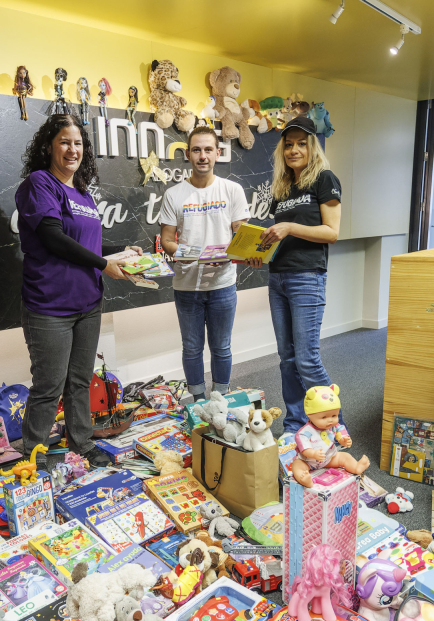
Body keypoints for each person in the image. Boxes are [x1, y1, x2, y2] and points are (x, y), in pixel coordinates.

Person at [14, 114, 141, 467]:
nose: (73, 150)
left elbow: (88, 241)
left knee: (80, 381)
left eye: (79, 143)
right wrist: (104, 264)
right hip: (49, 304)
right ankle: (32, 454)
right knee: (48, 386)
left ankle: (81, 443)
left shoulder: (83, 194)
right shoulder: (39, 184)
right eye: (65, 142)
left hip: (88, 302)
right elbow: (54, 238)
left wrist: (124, 252)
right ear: (49, 146)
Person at [259, 117, 342, 436]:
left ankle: (334, 424)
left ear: (312, 146)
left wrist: (290, 227)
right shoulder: (282, 187)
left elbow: (331, 232)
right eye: (289, 144)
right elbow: (280, 238)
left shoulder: (324, 179)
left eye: (301, 143)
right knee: (287, 358)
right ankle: (295, 424)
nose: (294, 149)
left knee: (307, 358)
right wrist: (260, 252)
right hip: (277, 276)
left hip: (307, 277)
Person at [158, 126, 254, 402]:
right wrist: (199, 254)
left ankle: (220, 400)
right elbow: (166, 241)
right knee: (191, 348)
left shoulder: (232, 190)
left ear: (218, 153)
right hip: (186, 286)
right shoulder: (174, 195)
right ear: (187, 154)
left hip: (223, 284)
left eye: (208, 150)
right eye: (197, 150)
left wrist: (242, 249)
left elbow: (242, 235)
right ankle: (199, 402)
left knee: (222, 347)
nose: (202, 156)